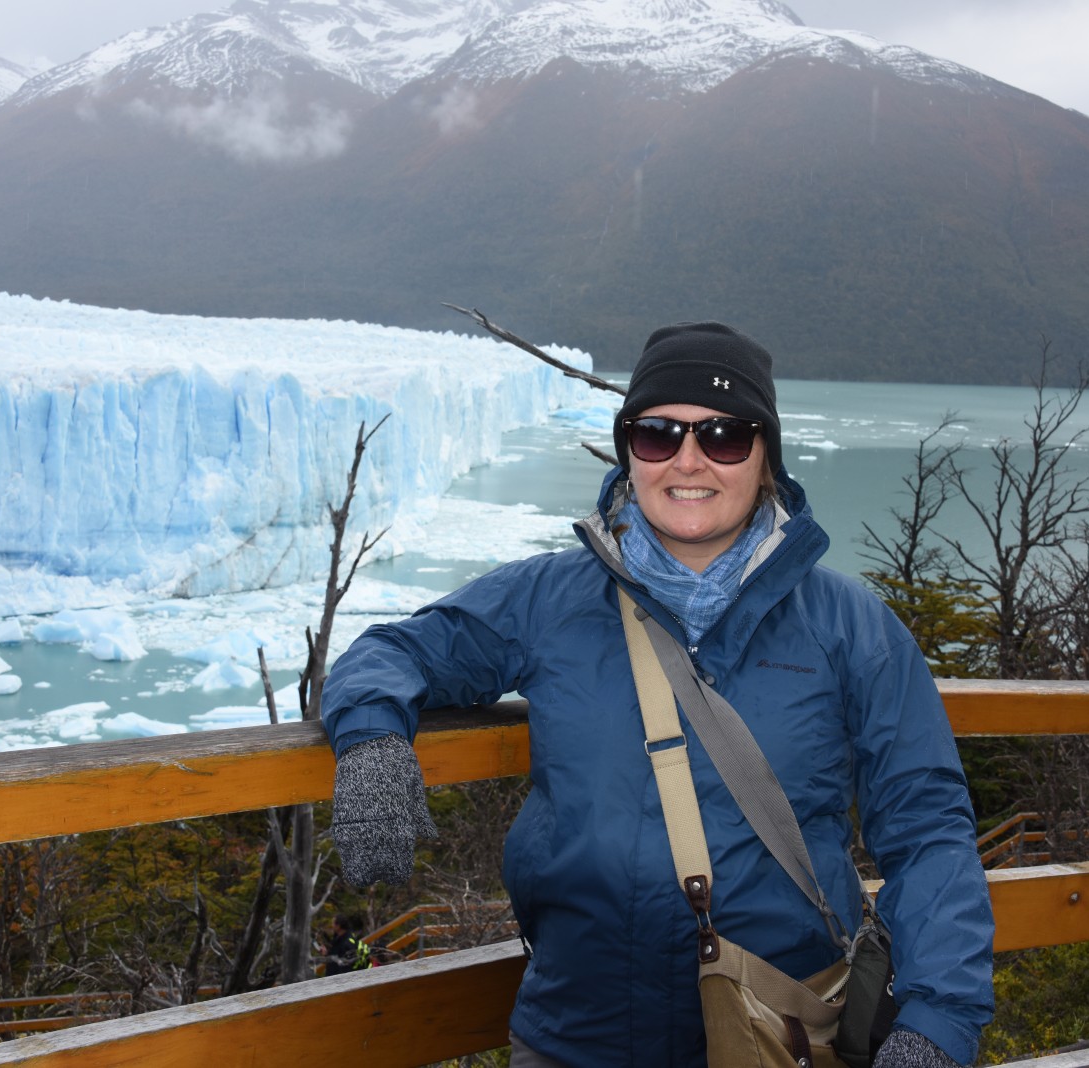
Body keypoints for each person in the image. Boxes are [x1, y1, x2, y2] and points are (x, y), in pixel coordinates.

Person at [320, 322, 994, 1067]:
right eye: (657, 434)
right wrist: (373, 741)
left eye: (724, 437)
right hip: (575, 1036)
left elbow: (927, 825)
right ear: (629, 452)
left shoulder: (850, 627)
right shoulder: (550, 599)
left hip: (779, 1033)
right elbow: (396, 651)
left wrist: (936, 1022)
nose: (688, 460)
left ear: (766, 456)